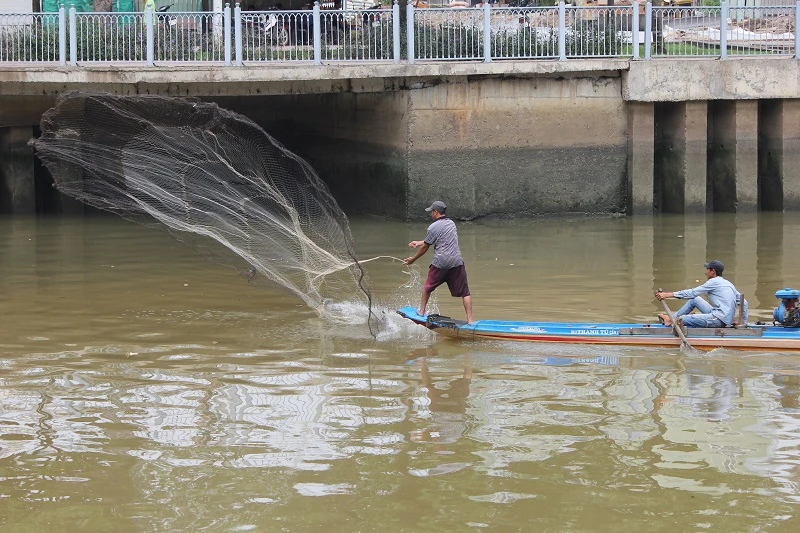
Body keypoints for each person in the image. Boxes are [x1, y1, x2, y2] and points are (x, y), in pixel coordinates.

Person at [403, 200, 473, 323]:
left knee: (427, 288)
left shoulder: (433, 227)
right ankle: (470, 320)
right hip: (457, 262)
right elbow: (436, 239)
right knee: (465, 293)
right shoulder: (451, 224)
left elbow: (426, 246)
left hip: (441, 263)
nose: (430, 215)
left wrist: (413, 259)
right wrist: (418, 243)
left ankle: (421, 311)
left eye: (431, 212)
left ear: (436, 212)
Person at [656, 259, 748, 328]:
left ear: (713, 271)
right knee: (695, 300)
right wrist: (742, 323)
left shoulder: (713, 282)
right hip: (720, 316)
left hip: (719, 320)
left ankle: (673, 320)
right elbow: (744, 303)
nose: (705, 273)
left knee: (682, 319)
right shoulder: (728, 283)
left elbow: (692, 293)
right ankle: (670, 319)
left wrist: (667, 295)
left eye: (707, 270)